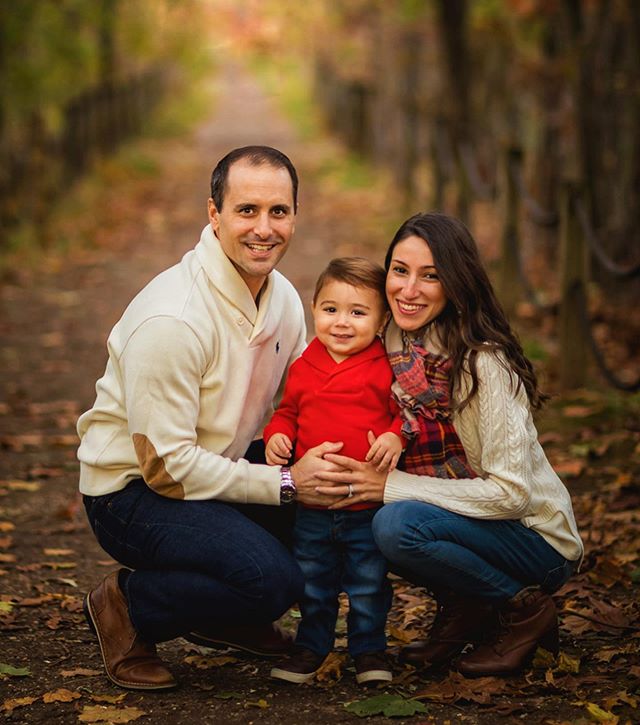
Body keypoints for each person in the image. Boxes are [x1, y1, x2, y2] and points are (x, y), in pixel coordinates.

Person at [77, 145, 343, 691]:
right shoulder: (173, 319)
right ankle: (129, 606)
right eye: (247, 211)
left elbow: (306, 401)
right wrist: (288, 483)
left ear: (295, 215)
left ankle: (228, 616)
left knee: (336, 518)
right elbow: (167, 470)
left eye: (279, 211)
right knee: (271, 581)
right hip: (133, 492)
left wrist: (343, 458)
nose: (264, 228)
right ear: (214, 214)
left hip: (215, 464)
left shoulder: (284, 300)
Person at [313, 212, 584, 677]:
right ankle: (467, 607)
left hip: (535, 539)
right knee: (374, 518)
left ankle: (522, 611)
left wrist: (391, 486)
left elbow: (512, 494)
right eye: (400, 270)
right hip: (468, 522)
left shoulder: (483, 365)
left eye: (430, 276)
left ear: (455, 283)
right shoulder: (396, 335)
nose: (408, 290)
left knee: (397, 525)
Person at [264, 257, 404, 685]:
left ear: (381, 322)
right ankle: (311, 647)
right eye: (330, 309)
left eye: (358, 313)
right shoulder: (304, 366)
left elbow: (407, 415)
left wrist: (396, 435)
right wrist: (277, 435)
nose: (342, 322)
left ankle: (368, 651)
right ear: (313, 310)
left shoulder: (386, 368)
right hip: (314, 505)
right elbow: (286, 411)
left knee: (367, 583)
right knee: (312, 581)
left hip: (365, 505)